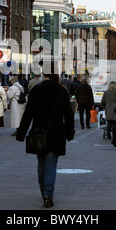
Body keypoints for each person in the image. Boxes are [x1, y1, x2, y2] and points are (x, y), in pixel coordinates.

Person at [16, 65, 75, 208]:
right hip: (56, 133)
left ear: (43, 74)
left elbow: (28, 113)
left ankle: (44, 191)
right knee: (51, 165)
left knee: (41, 163)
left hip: (38, 133)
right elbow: (68, 115)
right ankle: (48, 195)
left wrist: (21, 133)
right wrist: (69, 133)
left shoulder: (36, 90)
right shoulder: (62, 91)